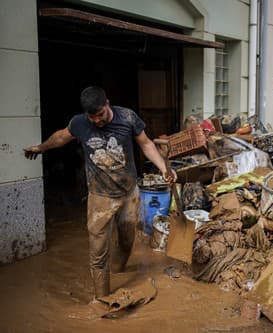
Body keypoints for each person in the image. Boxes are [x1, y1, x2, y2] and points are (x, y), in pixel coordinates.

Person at [24, 86, 177, 300]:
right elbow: (61, 137)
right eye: (92, 117)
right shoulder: (79, 123)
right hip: (100, 198)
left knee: (126, 241)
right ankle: (102, 299)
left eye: (101, 115)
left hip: (129, 194)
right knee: (97, 254)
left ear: (107, 104)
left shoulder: (127, 117)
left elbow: (146, 144)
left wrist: (163, 168)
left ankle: (118, 272)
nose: (97, 121)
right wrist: (41, 148)